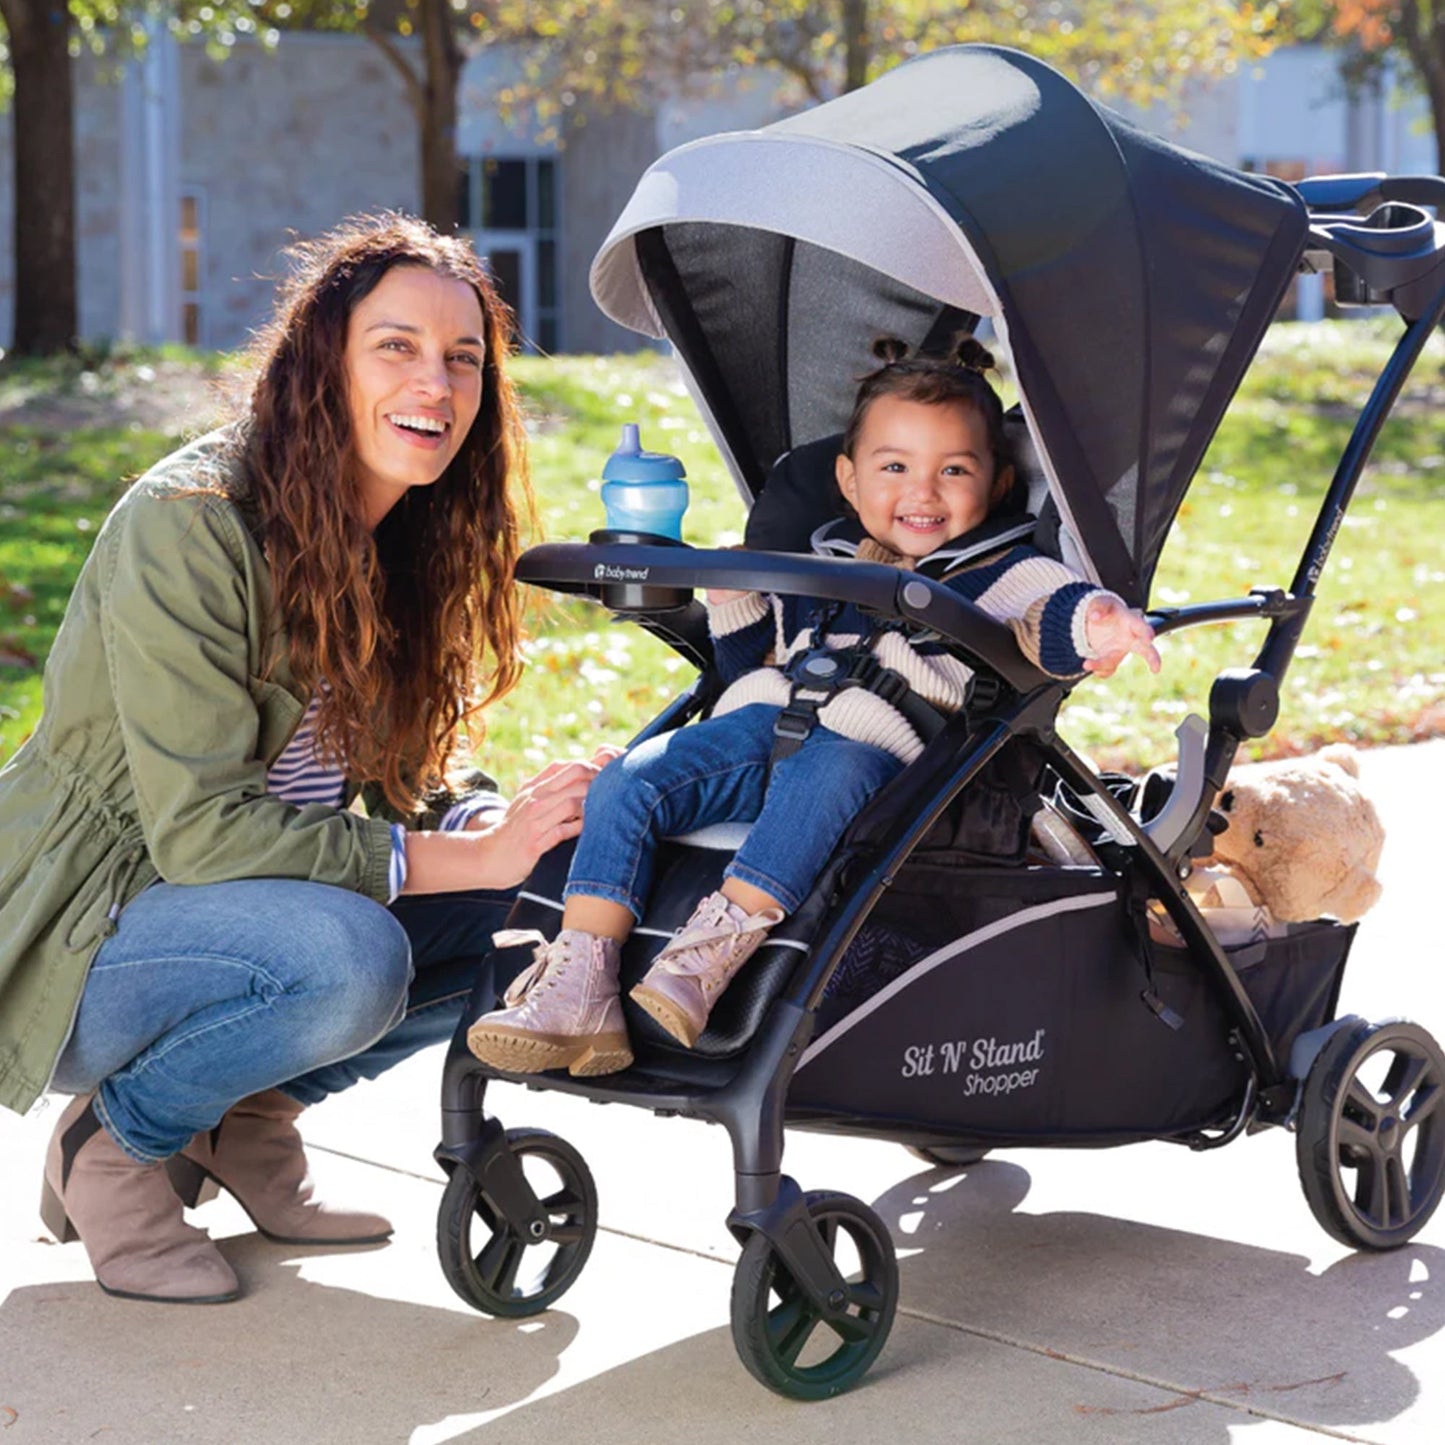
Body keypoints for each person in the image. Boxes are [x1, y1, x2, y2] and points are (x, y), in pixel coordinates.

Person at [0, 213, 606, 1305]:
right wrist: (445, 860)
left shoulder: (400, 534)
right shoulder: (190, 527)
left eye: (462, 357)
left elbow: (401, 776)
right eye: (397, 346)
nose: (437, 380)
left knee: (536, 905)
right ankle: (117, 1144)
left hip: (249, 921)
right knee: (352, 954)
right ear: (323, 359)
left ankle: (244, 1120)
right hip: (95, 934)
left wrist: (488, 827)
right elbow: (203, 832)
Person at [466, 337, 1160, 1078]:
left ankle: (705, 957)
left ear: (994, 487)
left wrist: (1101, 620)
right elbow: (743, 669)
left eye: (953, 471)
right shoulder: (819, 560)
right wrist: (733, 604)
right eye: (894, 467)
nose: (922, 493)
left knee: (823, 773)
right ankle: (580, 981)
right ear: (848, 480)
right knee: (629, 782)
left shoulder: (1005, 569)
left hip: (874, 751)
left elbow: (1053, 614)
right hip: (760, 724)